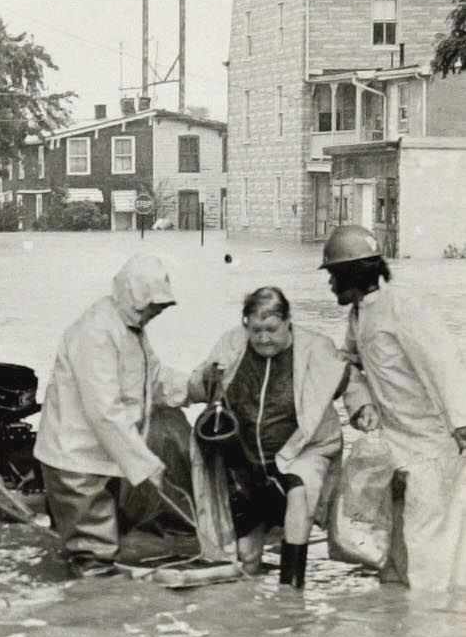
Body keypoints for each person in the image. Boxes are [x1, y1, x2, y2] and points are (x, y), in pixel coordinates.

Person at [321, 224, 466, 589]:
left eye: (334, 276)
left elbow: (443, 361)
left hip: (434, 440)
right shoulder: (358, 315)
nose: (330, 286)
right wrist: (360, 404)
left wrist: (461, 423)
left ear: (352, 274)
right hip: (395, 440)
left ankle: (431, 618)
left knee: (429, 534)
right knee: (399, 533)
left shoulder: (403, 307)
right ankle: (402, 612)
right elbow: (352, 364)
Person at [33, 253, 191, 578]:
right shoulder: (96, 332)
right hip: (74, 459)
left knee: (95, 544)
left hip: (99, 458)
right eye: (154, 305)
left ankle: (86, 593)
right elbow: (104, 411)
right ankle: (95, 611)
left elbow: (154, 381)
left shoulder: (131, 329)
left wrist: (198, 386)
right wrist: (145, 465)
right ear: (135, 297)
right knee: (93, 553)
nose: (158, 312)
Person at [187, 286, 347, 588]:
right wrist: (191, 386)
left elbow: (346, 378)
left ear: (288, 322)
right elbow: (198, 384)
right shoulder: (232, 344)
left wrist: (363, 405)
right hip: (248, 458)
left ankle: (292, 589)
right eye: (256, 330)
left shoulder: (316, 347)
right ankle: (256, 606)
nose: (263, 338)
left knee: (299, 489)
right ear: (246, 325)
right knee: (247, 557)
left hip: (303, 449)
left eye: (271, 329)